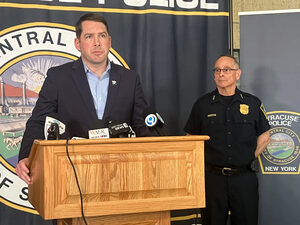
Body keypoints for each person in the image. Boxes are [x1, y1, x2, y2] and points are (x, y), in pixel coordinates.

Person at [16, 13, 156, 184]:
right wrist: (25, 156)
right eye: (89, 36)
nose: (97, 42)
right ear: (78, 43)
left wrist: (156, 158)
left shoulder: (130, 79)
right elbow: (39, 121)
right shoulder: (58, 77)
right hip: (71, 174)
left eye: (102, 36)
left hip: (122, 173)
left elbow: (142, 126)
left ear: (109, 42)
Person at [184, 54, 270, 225]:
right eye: (217, 70)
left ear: (238, 74)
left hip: (244, 178)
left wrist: (249, 156)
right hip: (212, 180)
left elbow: (265, 136)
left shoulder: (252, 103)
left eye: (226, 70)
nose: (221, 74)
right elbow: (190, 139)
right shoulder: (202, 105)